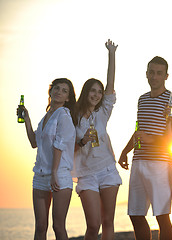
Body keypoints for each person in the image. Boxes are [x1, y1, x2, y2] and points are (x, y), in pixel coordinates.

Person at [118, 56, 172, 240]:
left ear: (166, 76)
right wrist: (125, 151)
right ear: (146, 74)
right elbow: (139, 131)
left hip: (161, 163)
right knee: (136, 214)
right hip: (138, 161)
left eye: (159, 73)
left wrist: (151, 139)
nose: (154, 77)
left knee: (162, 215)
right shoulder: (142, 99)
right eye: (151, 72)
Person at [73, 39, 122, 240]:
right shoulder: (72, 117)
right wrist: (83, 141)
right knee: (93, 225)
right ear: (86, 92)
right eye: (93, 90)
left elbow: (111, 83)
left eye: (99, 92)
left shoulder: (102, 113)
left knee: (108, 221)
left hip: (108, 170)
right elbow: (69, 147)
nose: (96, 94)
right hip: (86, 175)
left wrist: (111, 54)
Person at [18, 78, 76, 240]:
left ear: (68, 98)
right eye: (56, 88)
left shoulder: (64, 115)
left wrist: (55, 172)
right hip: (40, 176)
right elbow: (33, 142)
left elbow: (60, 145)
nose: (59, 92)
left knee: (58, 226)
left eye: (64, 91)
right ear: (50, 91)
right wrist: (27, 118)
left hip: (59, 175)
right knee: (40, 227)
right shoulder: (46, 117)